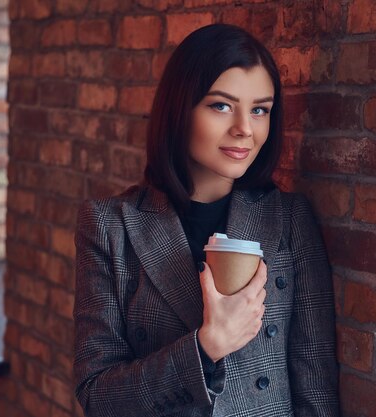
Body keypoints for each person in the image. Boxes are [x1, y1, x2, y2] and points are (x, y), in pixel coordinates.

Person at [73, 24, 340, 417]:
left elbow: (315, 390)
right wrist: (206, 347)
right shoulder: (110, 226)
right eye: (221, 105)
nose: (244, 129)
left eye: (259, 109)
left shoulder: (287, 220)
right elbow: (98, 395)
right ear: (180, 108)